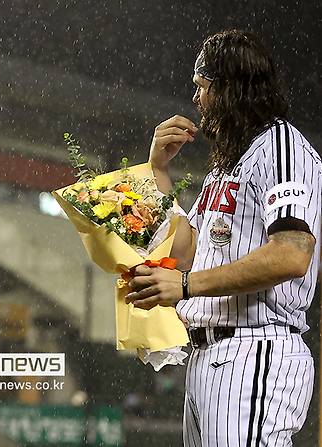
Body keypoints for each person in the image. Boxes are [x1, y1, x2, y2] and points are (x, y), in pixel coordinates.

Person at [126, 29, 321, 446]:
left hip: (256, 351)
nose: (197, 99)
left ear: (229, 87)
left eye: (202, 87)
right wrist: (156, 172)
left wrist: (184, 286)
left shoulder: (281, 147)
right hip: (209, 358)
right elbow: (187, 249)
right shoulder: (228, 164)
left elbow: (292, 253)